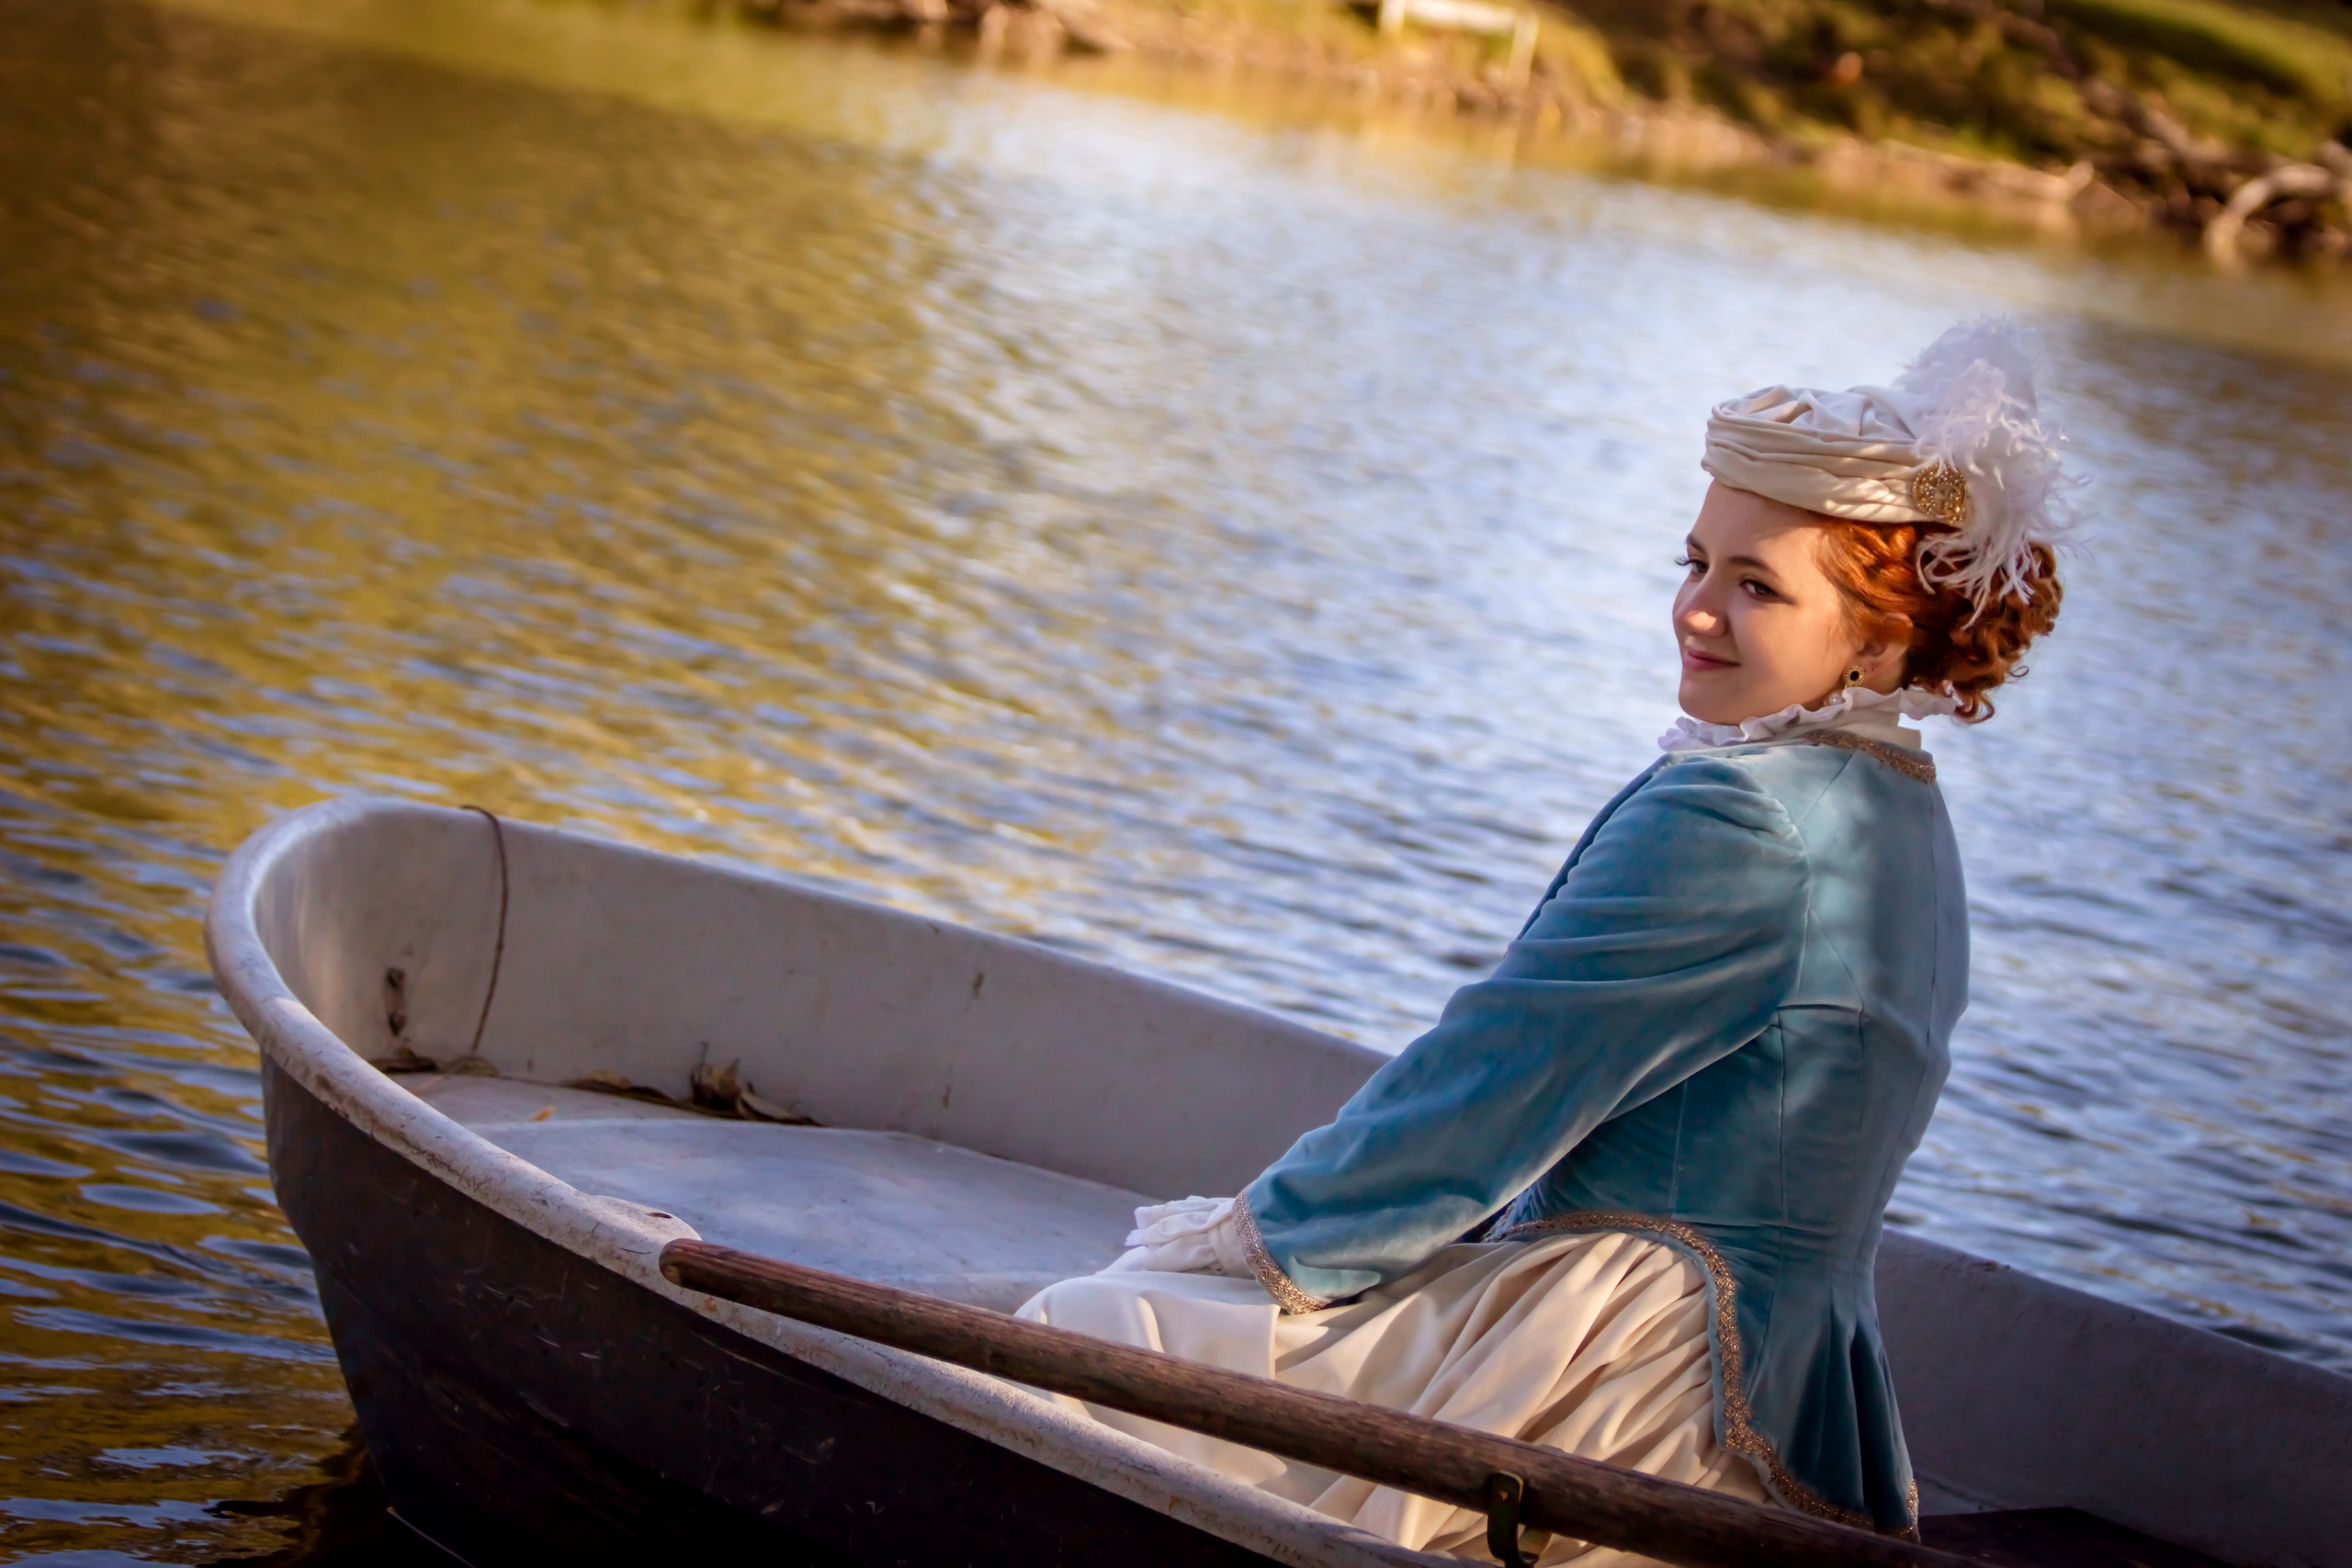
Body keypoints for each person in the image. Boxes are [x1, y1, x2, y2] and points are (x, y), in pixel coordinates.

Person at [1017, 318, 2074, 1564]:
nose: (1697, 612)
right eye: (1696, 563)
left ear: (1884, 636)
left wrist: (1260, 1236)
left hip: (1614, 1369)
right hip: (1789, 1399)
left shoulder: (1743, 815)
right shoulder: (1902, 817)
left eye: (1758, 585)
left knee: (1086, 1339)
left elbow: (1499, 1079)